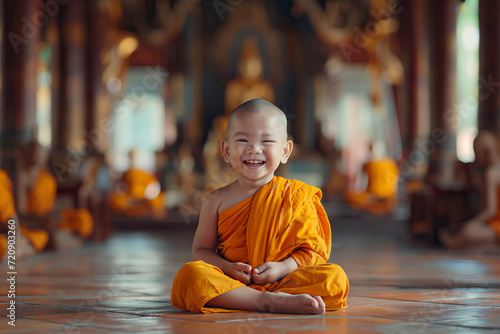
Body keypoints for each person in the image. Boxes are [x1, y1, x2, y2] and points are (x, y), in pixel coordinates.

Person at [171, 99, 349, 314]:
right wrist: (227, 267)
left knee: (335, 279)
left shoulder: (296, 195)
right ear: (226, 150)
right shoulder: (215, 200)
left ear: (285, 151)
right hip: (231, 280)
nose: (254, 149)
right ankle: (268, 301)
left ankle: (262, 298)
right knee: (190, 276)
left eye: (266, 141)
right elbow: (201, 251)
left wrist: (283, 267)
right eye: (243, 140)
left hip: (284, 279)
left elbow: (313, 251)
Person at [439, 131, 500, 249]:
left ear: (486, 152)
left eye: (476, 153)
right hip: (493, 224)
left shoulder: (490, 174)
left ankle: (458, 243)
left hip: (496, 225)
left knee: (467, 231)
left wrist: (469, 224)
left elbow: (490, 211)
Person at [345, 140, 399, 215]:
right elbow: (395, 187)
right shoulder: (391, 164)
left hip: (372, 198)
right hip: (388, 201)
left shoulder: (368, 164)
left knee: (349, 195)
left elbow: (361, 185)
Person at [109, 149, 166, 219]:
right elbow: (120, 187)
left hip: (144, 198)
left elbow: (153, 187)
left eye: (134, 156)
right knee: (116, 200)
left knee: (157, 201)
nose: (132, 158)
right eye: (131, 156)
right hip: (130, 200)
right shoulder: (126, 173)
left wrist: (146, 194)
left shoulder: (145, 173)